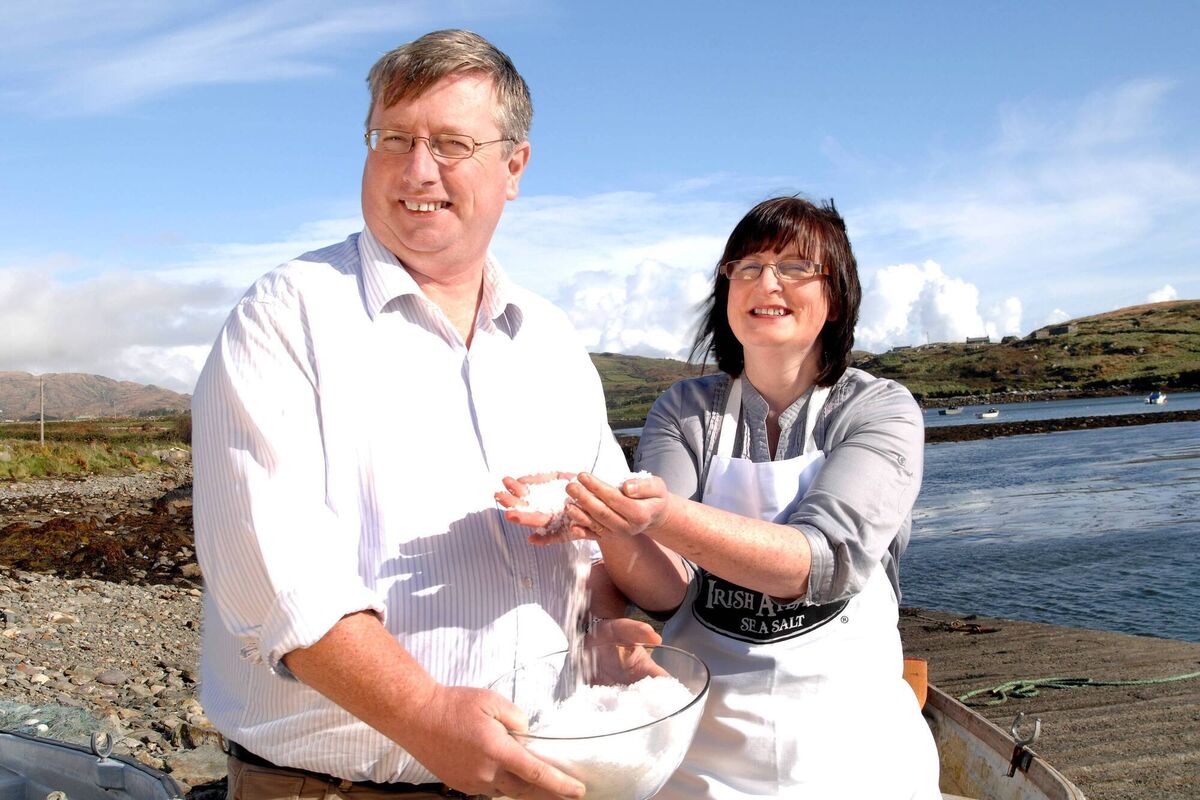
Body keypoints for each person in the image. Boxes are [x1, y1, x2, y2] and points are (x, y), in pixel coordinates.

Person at [191, 29, 647, 800]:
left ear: (514, 167)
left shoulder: (552, 341)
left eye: (450, 144)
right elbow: (272, 575)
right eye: (393, 138)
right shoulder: (285, 317)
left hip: (541, 776)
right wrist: (424, 713)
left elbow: (596, 540)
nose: (417, 170)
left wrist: (602, 632)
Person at [502, 196, 941, 798]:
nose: (767, 282)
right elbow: (666, 589)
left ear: (836, 298)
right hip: (702, 755)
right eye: (747, 266)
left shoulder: (879, 410)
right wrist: (608, 521)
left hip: (856, 754)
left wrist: (661, 514)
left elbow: (823, 563)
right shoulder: (684, 412)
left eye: (795, 267)